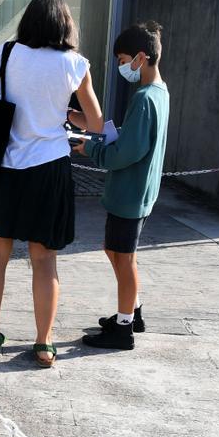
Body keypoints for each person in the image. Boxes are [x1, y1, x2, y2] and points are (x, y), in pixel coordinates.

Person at [0, 0, 104, 367]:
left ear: (28, 20)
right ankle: (44, 343)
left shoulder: (6, 54)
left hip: (5, 166)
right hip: (49, 167)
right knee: (44, 259)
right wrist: (63, 112)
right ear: (64, 24)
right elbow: (95, 124)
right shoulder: (74, 64)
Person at [74, 21, 169, 351]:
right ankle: (133, 312)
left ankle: (124, 327)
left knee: (124, 257)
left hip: (130, 193)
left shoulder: (144, 97)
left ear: (141, 57)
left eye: (122, 59)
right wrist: (86, 124)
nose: (120, 66)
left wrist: (92, 149)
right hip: (137, 192)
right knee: (115, 250)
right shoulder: (158, 93)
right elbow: (132, 139)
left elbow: (128, 151)